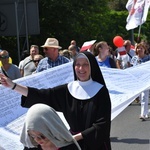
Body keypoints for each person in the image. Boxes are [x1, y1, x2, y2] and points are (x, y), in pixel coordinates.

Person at [0, 51, 112, 150]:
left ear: (92, 66)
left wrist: (75, 137)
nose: (81, 68)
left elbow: (102, 125)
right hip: (73, 144)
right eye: (77, 64)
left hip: (96, 144)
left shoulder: (101, 91)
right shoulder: (68, 90)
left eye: (85, 65)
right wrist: (13, 86)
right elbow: (41, 95)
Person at [131, 43, 150, 120]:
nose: (140, 49)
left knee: (144, 96)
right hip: (137, 80)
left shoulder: (148, 58)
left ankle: (143, 114)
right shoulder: (134, 58)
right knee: (140, 96)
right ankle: (146, 112)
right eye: (138, 48)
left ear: (145, 49)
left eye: (141, 48)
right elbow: (132, 69)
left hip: (146, 80)